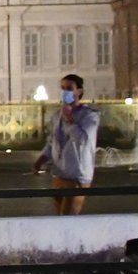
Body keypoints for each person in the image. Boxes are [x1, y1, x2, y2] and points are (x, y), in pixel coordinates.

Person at [33, 73, 100, 215]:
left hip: (77, 175)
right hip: (60, 174)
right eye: (62, 88)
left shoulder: (89, 115)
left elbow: (83, 140)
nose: (65, 92)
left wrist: (69, 120)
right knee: (60, 219)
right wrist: (41, 160)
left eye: (69, 88)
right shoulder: (57, 115)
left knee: (68, 218)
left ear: (79, 91)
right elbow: (53, 141)